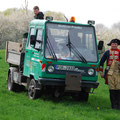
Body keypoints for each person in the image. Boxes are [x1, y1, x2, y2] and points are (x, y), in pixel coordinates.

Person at [99, 38, 120, 110]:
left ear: (117, 45)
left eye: (115, 44)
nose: (114, 45)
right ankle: (113, 105)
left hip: (118, 74)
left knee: (118, 89)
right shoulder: (107, 52)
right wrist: (101, 72)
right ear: (111, 45)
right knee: (112, 89)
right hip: (109, 74)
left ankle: (118, 105)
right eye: (113, 44)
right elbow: (101, 63)